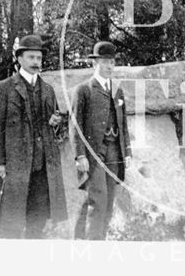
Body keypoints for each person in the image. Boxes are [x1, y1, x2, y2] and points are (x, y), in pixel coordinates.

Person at [0, 34, 68, 239]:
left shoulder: (48, 90)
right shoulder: (3, 88)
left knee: (37, 223)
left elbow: (57, 130)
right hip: (14, 168)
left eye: (39, 58)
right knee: (11, 224)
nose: (36, 62)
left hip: (42, 168)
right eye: (31, 57)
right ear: (19, 59)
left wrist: (56, 125)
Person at [70, 41, 132, 240]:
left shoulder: (117, 91)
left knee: (108, 203)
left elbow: (123, 125)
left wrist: (128, 152)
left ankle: (92, 241)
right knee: (98, 200)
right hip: (94, 153)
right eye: (105, 61)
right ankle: (90, 248)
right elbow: (75, 125)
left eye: (112, 62)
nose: (109, 66)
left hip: (115, 152)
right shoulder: (83, 90)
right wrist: (80, 155)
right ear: (94, 63)